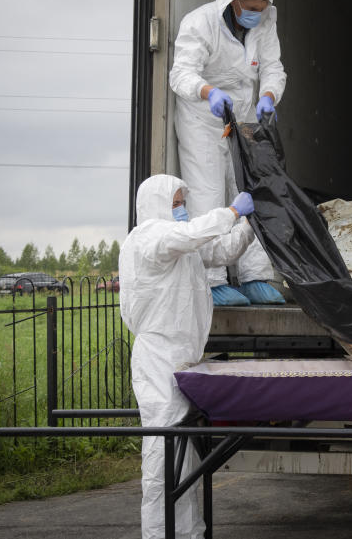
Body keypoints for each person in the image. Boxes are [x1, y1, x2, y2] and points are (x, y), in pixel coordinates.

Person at [119, 174, 257, 539]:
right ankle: (159, 534)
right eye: (176, 203)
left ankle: (186, 533)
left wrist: (248, 224)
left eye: (183, 203)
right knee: (162, 459)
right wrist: (231, 211)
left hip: (182, 358)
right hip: (159, 358)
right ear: (158, 204)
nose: (181, 210)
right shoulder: (149, 237)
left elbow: (221, 250)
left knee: (183, 459)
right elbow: (191, 234)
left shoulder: (180, 246)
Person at [169, 0, 287, 306]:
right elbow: (181, 74)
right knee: (207, 193)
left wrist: (268, 96)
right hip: (202, 117)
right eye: (250, 9)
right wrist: (208, 92)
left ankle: (255, 277)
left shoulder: (264, 23)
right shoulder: (200, 23)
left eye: (260, 9)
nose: (255, 15)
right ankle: (212, 281)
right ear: (233, 2)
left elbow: (273, 67)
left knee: (251, 191)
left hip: (245, 113)